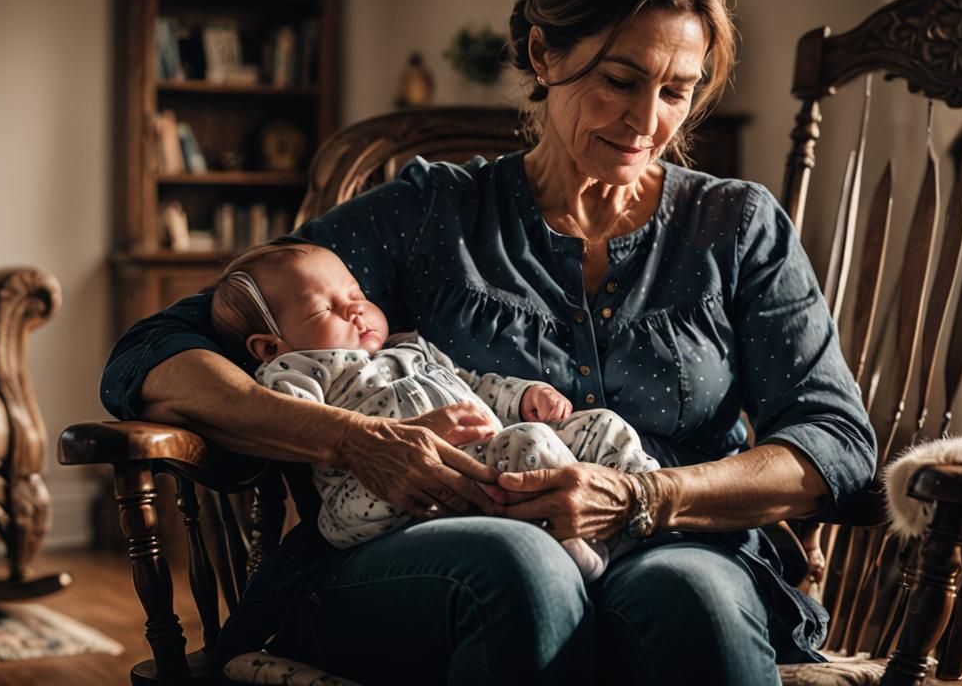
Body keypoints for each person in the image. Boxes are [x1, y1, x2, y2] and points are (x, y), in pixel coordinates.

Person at [99, 0, 876, 682]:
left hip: (672, 540)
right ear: (544, 53)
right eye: (619, 80)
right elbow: (154, 352)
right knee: (524, 567)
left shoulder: (735, 225)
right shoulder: (431, 214)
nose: (648, 122)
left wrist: (644, 495)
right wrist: (351, 439)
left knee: (695, 602)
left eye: (677, 91)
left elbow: (834, 440)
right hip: (443, 549)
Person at [208, 241, 660, 581]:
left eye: (356, 293)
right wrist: (413, 432)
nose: (356, 310)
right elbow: (292, 427)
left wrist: (524, 396)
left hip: (488, 452)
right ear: (270, 346)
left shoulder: (410, 348)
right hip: (370, 497)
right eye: (325, 308)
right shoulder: (295, 369)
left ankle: (643, 509)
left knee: (601, 423)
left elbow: (474, 384)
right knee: (530, 442)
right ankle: (581, 549)